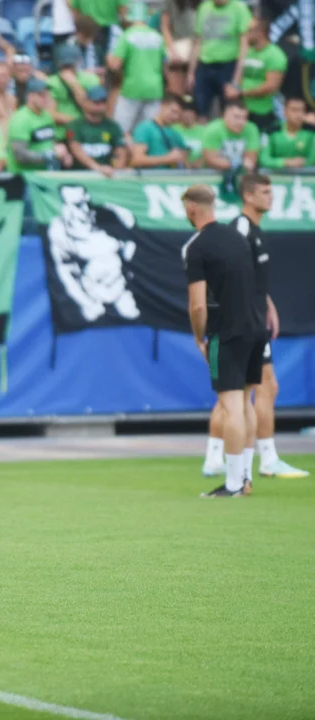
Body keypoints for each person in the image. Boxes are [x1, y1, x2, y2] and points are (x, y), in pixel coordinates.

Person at [200, 174, 308, 481]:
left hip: (253, 317)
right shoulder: (240, 228)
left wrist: (267, 304)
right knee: (252, 388)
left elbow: (252, 278)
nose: (270, 197)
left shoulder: (255, 230)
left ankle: (217, 457)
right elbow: (228, 274)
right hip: (242, 322)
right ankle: (265, 458)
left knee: (242, 390)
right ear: (248, 196)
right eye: (265, 192)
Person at [180, 184, 263, 498]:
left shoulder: (197, 247)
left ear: (191, 207)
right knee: (246, 403)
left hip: (227, 332)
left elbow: (198, 305)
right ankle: (246, 477)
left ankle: (233, 484)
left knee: (231, 408)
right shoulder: (237, 238)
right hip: (255, 328)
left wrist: (199, 336)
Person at [107, 2, 166, 133]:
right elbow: (165, 63)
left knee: (120, 130)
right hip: (154, 89)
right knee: (149, 131)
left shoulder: (127, 35)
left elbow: (115, 65)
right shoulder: (158, 37)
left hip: (132, 89)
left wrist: (109, 59)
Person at [187, 0, 251, 121]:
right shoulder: (204, 7)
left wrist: (236, 81)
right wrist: (191, 72)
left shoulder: (239, 8)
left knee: (228, 109)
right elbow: (198, 41)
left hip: (228, 65)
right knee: (200, 111)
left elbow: (244, 47)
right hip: (204, 65)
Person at [229, 17, 286, 133]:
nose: (246, 34)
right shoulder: (249, 52)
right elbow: (242, 76)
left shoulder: (275, 55)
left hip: (263, 112)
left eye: (249, 30)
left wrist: (242, 93)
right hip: (244, 111)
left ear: (260, 32)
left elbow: (270, 86)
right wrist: (234, 87)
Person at [8, 78, 71, 171]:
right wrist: (51, 155)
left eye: (48, 95)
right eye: (41, 95)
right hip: (25, 175)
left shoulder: (46, 116)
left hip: (45, 172)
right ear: (30, 96)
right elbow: (20, 156)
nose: (46, 99)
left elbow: (50, 141)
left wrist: (64, 154)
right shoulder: (21, 119)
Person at [65, 85, 128, 176]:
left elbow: (120, 151)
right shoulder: (75, 125)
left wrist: (116, 170)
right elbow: (76, 149)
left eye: (103, 102)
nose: (100, 105)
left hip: (107, 173)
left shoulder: (112, 126)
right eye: (96, 102)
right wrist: (97, 168)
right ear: (85, 103)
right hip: (80, 174)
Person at [130, 94, 192, 168]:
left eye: (179, 114)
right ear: (162, 106)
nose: (176, 117)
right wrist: (167, 159)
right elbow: (137, 160)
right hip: (150, 175)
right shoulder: (145, 128)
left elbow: (185, 161)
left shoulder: (175, 134)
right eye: (173, 111)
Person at [201, 100, 258, 172]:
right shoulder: (213, 130)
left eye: (244, 117)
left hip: (241, 174)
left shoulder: (251, 129)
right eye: (236, 117)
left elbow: (251, 160)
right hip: (212, 174)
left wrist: (232, 163)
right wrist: (238, 163)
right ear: (225, 115)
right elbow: (210, 160)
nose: (241, 122)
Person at [258, 97, 315, 169]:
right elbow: (263, 159)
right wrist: (285, 162)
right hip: (276, 175)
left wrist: (304, 163)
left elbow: (312, 160)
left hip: (306, 175)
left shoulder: (312, 132)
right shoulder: (270, 132)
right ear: (284, 112)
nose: (299, 114)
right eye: (294, 110)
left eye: (302, 110)